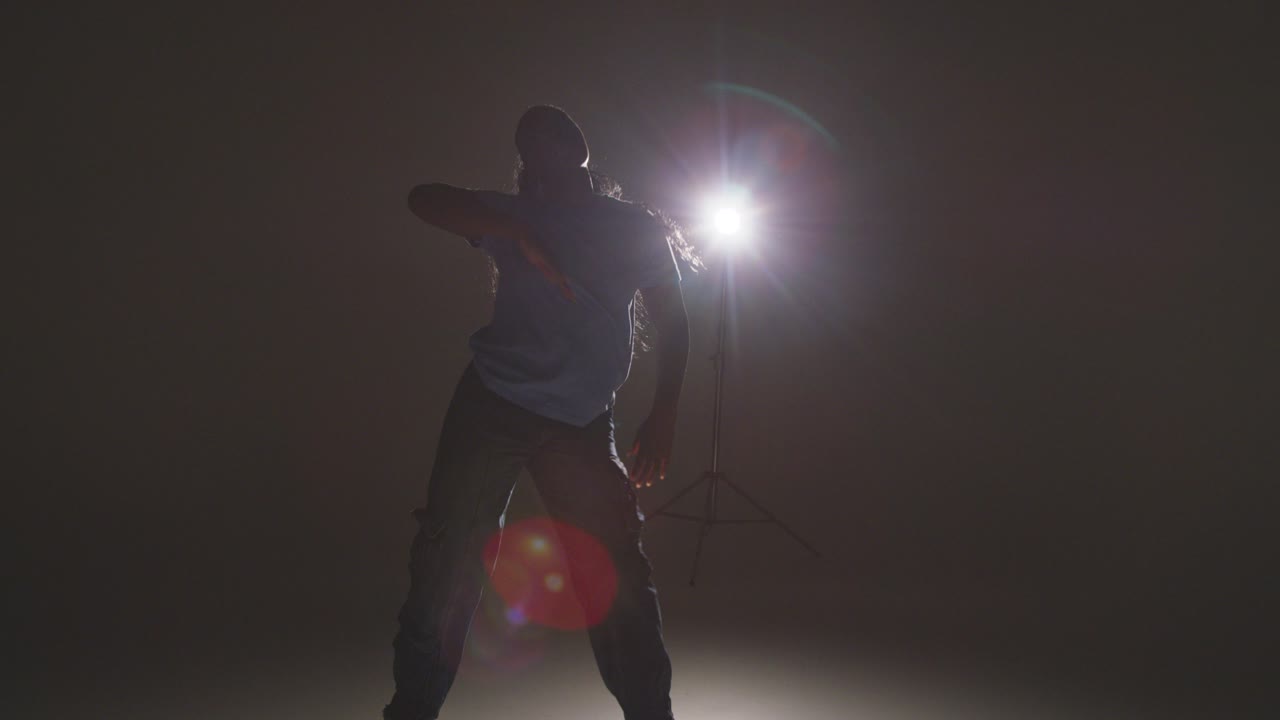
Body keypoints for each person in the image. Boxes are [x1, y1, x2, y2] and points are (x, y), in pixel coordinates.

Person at [384, 105, 690, 720]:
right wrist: (515, 231)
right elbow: (422, 198)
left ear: (581, 145)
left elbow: (674, 320)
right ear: (526, 161)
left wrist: (664, 413)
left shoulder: (633, 226)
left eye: (556, 129)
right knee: (447, 561)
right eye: (530, 137)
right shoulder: (513, 215)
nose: (544, 137)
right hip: (491, 406)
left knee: (616, 573)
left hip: (581, 424)